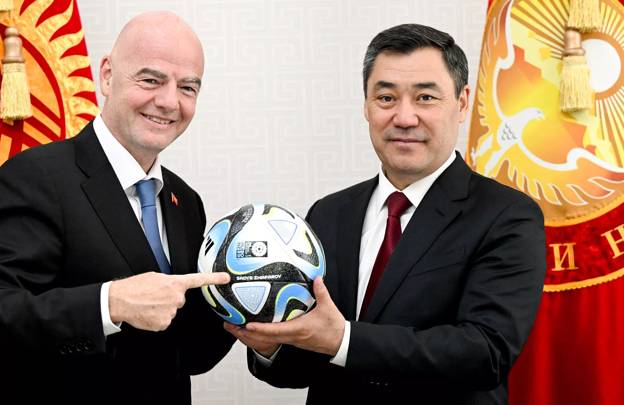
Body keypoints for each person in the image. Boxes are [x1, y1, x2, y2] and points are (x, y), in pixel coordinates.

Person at [225, 23, 546, 404]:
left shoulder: (507, 216)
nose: (405, 117)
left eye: (426, 98)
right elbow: (306, 361)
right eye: (386, 98)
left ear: (462, 103)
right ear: (366, 105)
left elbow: (484, 352)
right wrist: (270, 345)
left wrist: (343, 339)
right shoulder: (329, 213)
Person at [0, 11, 234, 405]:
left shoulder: (185, 201)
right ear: (106, 75)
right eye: (151, 80)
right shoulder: (35, 176)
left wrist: (245, 308)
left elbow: (185, 354)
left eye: (188, 87)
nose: (170, 101)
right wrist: (110, 303)